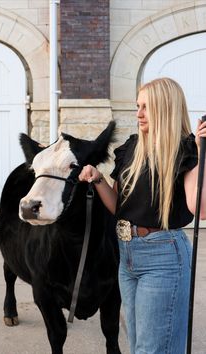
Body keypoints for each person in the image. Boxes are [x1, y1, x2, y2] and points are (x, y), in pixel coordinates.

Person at [78, 77, 206, 354]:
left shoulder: (186, 149)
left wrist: (202, 152)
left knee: (153, 349)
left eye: (146, 107)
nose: (138, 114)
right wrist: (98, 179)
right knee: (138, 345)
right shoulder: (133, 148)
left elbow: (201, 208)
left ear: (166, 108)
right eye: (138, 106)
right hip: (127, 254)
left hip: (164, 256)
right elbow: (119, 207)